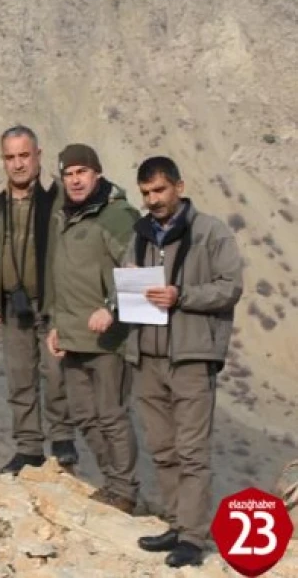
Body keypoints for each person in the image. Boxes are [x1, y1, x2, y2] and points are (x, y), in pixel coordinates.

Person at [125, 156, 243, 568]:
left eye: (159, 190)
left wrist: (182, 295)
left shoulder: (210, 232)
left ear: (178, 186)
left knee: (192, 451)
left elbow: (231, 287)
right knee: (162, 448)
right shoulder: (140, 234)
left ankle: (193, 537)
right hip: (148, 354)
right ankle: (177, 523)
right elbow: (127, 278)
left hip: (192, 356)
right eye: (146, 193)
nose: (153, 200)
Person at [45, 143, 141, 513]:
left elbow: (136, 266)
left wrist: (111, 308)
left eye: (81, 172)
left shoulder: (116, 216)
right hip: (73, 336)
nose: (75, 180)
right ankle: (113, 483)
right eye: (68, 174)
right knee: (85, 415)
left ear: (97, 174)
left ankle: (125, 490)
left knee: (111, 416)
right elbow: (63, 276)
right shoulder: (66, 215)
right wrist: (56, 324)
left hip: (107, 339)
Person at [0, 126, 77, 474]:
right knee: (19, 377)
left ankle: (63, 439)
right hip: (11, 304)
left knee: (56, 373)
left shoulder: (59, 196)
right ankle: (29, 447)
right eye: (11, 157)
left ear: (38, 155)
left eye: (24, 155)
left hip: (52, 302)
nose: (18, 164)